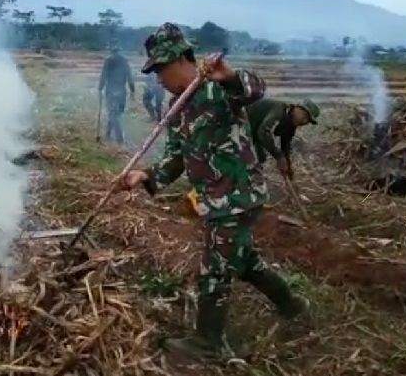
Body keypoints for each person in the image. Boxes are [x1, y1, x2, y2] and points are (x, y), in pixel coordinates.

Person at [116, 23, 309, 361]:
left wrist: (229, 77)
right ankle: (293, 306)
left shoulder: (218, 89)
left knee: (214, 271)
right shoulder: (177, 108)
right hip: (215, 199)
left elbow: (254, 90)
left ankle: (209, 345)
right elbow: (175, 158)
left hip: (236, 196)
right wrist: (144, 176)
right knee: (245, 263)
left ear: (180, 60)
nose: (157, 78)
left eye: (160, 69)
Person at [247, 98, 320, 180]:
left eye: (308, 121)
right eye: (305, 116)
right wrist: (278, 156)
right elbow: (263, 132)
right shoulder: (279, 110)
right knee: (249, 158)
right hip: (242, 124)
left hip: (253, 131)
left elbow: (285, 145)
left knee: (260, 157)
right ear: (297, 108)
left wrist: (288, 167)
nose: (304, 121)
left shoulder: (291, 123)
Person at [98, 46, 135, 144]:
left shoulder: (108, 60)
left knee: (114, 114)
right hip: (121, 91)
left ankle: (119, 139)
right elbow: (130, 77)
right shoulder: (124, 61)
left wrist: (100, 88)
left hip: (111, 91)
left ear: (111, 51)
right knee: (115, 113)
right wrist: (132, 90)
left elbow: (103, 75)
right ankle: (108, 133)